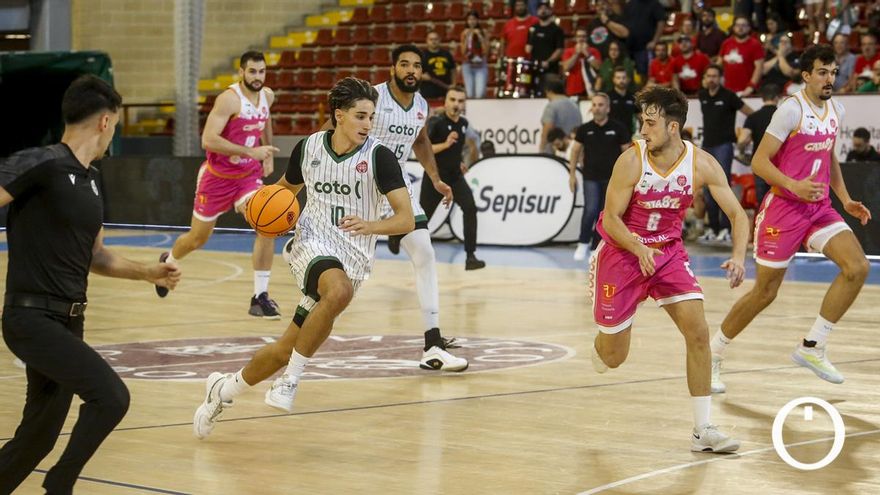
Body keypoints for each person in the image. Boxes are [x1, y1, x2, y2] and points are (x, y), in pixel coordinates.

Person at [193, 77, 417, 434]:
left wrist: (371, 225)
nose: (368, 124)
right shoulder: (309, 147)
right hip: (311, 243)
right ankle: (290, 381)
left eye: (371, 117)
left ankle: (222, 390)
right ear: (339, 115)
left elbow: (406, 219)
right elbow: (284, 189)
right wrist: (258, 205)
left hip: (354, 256)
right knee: (338, 290)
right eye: (360, 116)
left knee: (285, 347)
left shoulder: (380, 158)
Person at [0, 75, 181, 493]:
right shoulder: (41, 162)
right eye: (114, 126)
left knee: (37, 438)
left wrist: (148, 272)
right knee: (111, 398)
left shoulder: (93, 180)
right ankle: (60, 485)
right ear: (105, 122)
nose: (112, 135)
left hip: (69, 321)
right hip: (30, 318)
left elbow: (96, 256)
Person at [589, 85, 748, 453]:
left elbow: (738, 215)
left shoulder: (702, 163)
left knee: (698, 332)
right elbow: (610, 219)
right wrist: (637, 246)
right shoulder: (631, 161)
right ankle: (601, 343)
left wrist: (739, 257)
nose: (643, 130)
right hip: (622, 254)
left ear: (672, 127)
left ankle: (702, 429)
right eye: (642, 122)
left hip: (668, 254)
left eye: (650, 123)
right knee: (614, 358)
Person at [711, 44, 872, 394]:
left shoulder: (836, 108)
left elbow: (829, 157)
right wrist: (794, 185)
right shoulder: (790, 110)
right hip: (783, 209)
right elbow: (759, 162)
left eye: (833, 72)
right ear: (806, 75)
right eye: (822, 73)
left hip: (818, 208)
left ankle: (812, 345)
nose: (829, 79)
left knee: (857, 267)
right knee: (765, 293)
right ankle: (713, 353)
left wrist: (845, 199)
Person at [157, 51, 282, 318]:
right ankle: (169, 260)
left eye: (261, 71)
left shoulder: (267, 96)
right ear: (241, 72)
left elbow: (265, 120)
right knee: (197, 239)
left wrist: (267, 152)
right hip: (217, 178)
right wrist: (251, 151)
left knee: (267, 223)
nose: (257, 77)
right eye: (252, 71)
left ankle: (260, 296)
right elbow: (208, 140)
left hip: (247, 177)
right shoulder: (229, 100)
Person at [368, 45, 469, 370]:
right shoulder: (372, 96)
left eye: (416, 66)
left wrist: (436, 179)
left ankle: (433, 344)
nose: (411, 70)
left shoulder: (422, 105)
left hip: (397, 186)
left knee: (425, 253)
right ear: (393, 68)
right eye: (404, 64)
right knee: (344, 278)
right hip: (362, 184)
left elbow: (421, 141)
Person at [422, 86, 485, 270]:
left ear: (464, 104)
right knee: (422, 218)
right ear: (445, 102)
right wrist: (446, 144)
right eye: (453, 100)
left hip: (455, 176)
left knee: (470, 208)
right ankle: (397, 237)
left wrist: (458, 162)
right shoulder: (436, 122)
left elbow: (458, 150)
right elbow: (424, 149)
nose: (456, 104)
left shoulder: (463, 123)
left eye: (460, 101)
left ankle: (470, 256)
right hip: (435, 177)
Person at [568, 93, 631, 261]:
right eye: (594, 105)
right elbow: (575, 151)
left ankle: (596, 248)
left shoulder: (619, 128)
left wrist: (627, 178)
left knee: (605, 214)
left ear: (608, 108)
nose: (597, 108)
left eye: (601, 105)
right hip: (591, 177)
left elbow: (627, 154)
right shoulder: (585, 129)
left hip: (613, 180)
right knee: (590, 210)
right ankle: (583, 243)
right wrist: (572, 174)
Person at [698, 64, 754, 244]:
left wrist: (747, 134)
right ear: (705, 78)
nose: (711, 79)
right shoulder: (702, 95)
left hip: (724, 146)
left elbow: (751, 113)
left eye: (715, 76)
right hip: (707, 146)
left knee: (723, 187)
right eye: (708, 76)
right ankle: (712, 228)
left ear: (721, 78)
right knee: (707, 188)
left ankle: (725, 228)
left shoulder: (729, 96)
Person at [738, 84, 780, 206]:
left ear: (763, 98)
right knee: (780, 199)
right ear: (777, 98)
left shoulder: (753, 117)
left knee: (762, 201)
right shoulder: (782, 116)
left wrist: (742, 153)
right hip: (780, 163)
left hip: (761, 163)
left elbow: (742, 140)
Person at [719, 16, 765, 96]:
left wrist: (751, 87)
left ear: (749, 28)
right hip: (727, 90)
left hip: (746, 91)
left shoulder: (755, 45)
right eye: (738, 25)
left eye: (743, 25)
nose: (740, 28)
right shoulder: (726, 43)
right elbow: (719, 64)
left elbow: (759, 68)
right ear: (733, 28)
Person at [539, 75, 583, 155]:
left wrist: (542, 149)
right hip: (573, 150)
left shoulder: (552, 106)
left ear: (549, 91)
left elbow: (547, 128)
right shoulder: (575, 105)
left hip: (556, 152)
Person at [623, 0, 667, 77]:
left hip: (646, 47)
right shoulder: (629, 4)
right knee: (630, 75)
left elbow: (661, 22)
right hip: (629, 47)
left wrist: (655, 41)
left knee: (646, 75)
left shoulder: (654, 4)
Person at [526, 1, 565, 76]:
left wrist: (548, 62)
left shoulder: (557, 30)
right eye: (540, 9)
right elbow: (528, 49)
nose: (543, 11)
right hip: (534, 67)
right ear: (537, 11)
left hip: (551, 68)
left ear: (550, 11)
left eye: (545, 9)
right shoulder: (533, 29)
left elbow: (560, 50)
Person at [562, 26, 603, 97]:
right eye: (579, 36)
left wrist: (587, 54)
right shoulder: (568, 51)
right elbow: (566, 67)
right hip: (573, 89)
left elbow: (598, 67)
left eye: (583, 36)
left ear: (587, 38)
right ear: (575, 38)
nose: (581, 39)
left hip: (591, 89)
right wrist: (576, 53)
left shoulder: (594, 51)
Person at [460, 10, 489, 99]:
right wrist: (467, 37)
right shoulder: (464, 33)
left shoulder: (484, 32)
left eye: (474, 19)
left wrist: (480, 36)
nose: (472, 21)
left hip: (480, 65)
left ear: (477, 20)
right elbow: (463, 51)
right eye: (469, 19)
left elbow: (486, 51)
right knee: (469, 94)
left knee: (479, 94)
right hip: (468, 64)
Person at [421, 31, 457, 100]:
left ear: (439, 40)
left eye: (436, 39)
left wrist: (454, 84)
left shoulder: (447, 54)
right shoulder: (422, 55)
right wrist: (421, 76)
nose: (433, 41)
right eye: (431, 39)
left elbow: (453, 70)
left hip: (445, 91)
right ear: (427, 41)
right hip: (428, 92)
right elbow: (415, 72)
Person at [608, 66, 639, 134]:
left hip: (629, 135)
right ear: (613, 79)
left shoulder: (633, 97)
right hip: (611, 135)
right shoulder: (608, 97)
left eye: (624, 77)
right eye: (618, 78)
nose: (621, 80)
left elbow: (639, 116)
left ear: (628, 79)